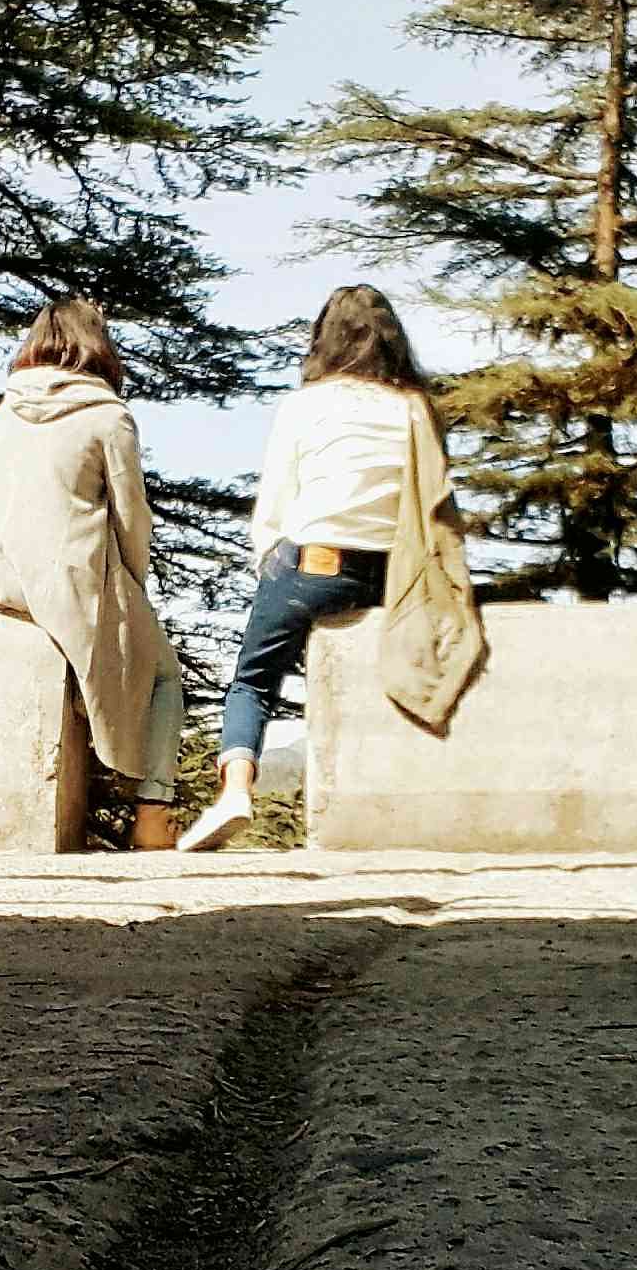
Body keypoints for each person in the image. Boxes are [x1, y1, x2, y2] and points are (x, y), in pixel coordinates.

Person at [181, 284, 484, 853]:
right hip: (390, 576)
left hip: (314, 563)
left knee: (253, 679)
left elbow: (273, 507)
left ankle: (235, 791)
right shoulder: (413, 409)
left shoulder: (305, 404)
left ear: (324, 338)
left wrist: (270, 570)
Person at [0, 298, 184, 850]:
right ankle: (153, 813)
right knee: (162, 674)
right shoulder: (109, 416)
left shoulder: (6, 409)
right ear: (99, 347)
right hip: (59, 583)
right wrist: (134, 588)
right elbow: (131, 518)